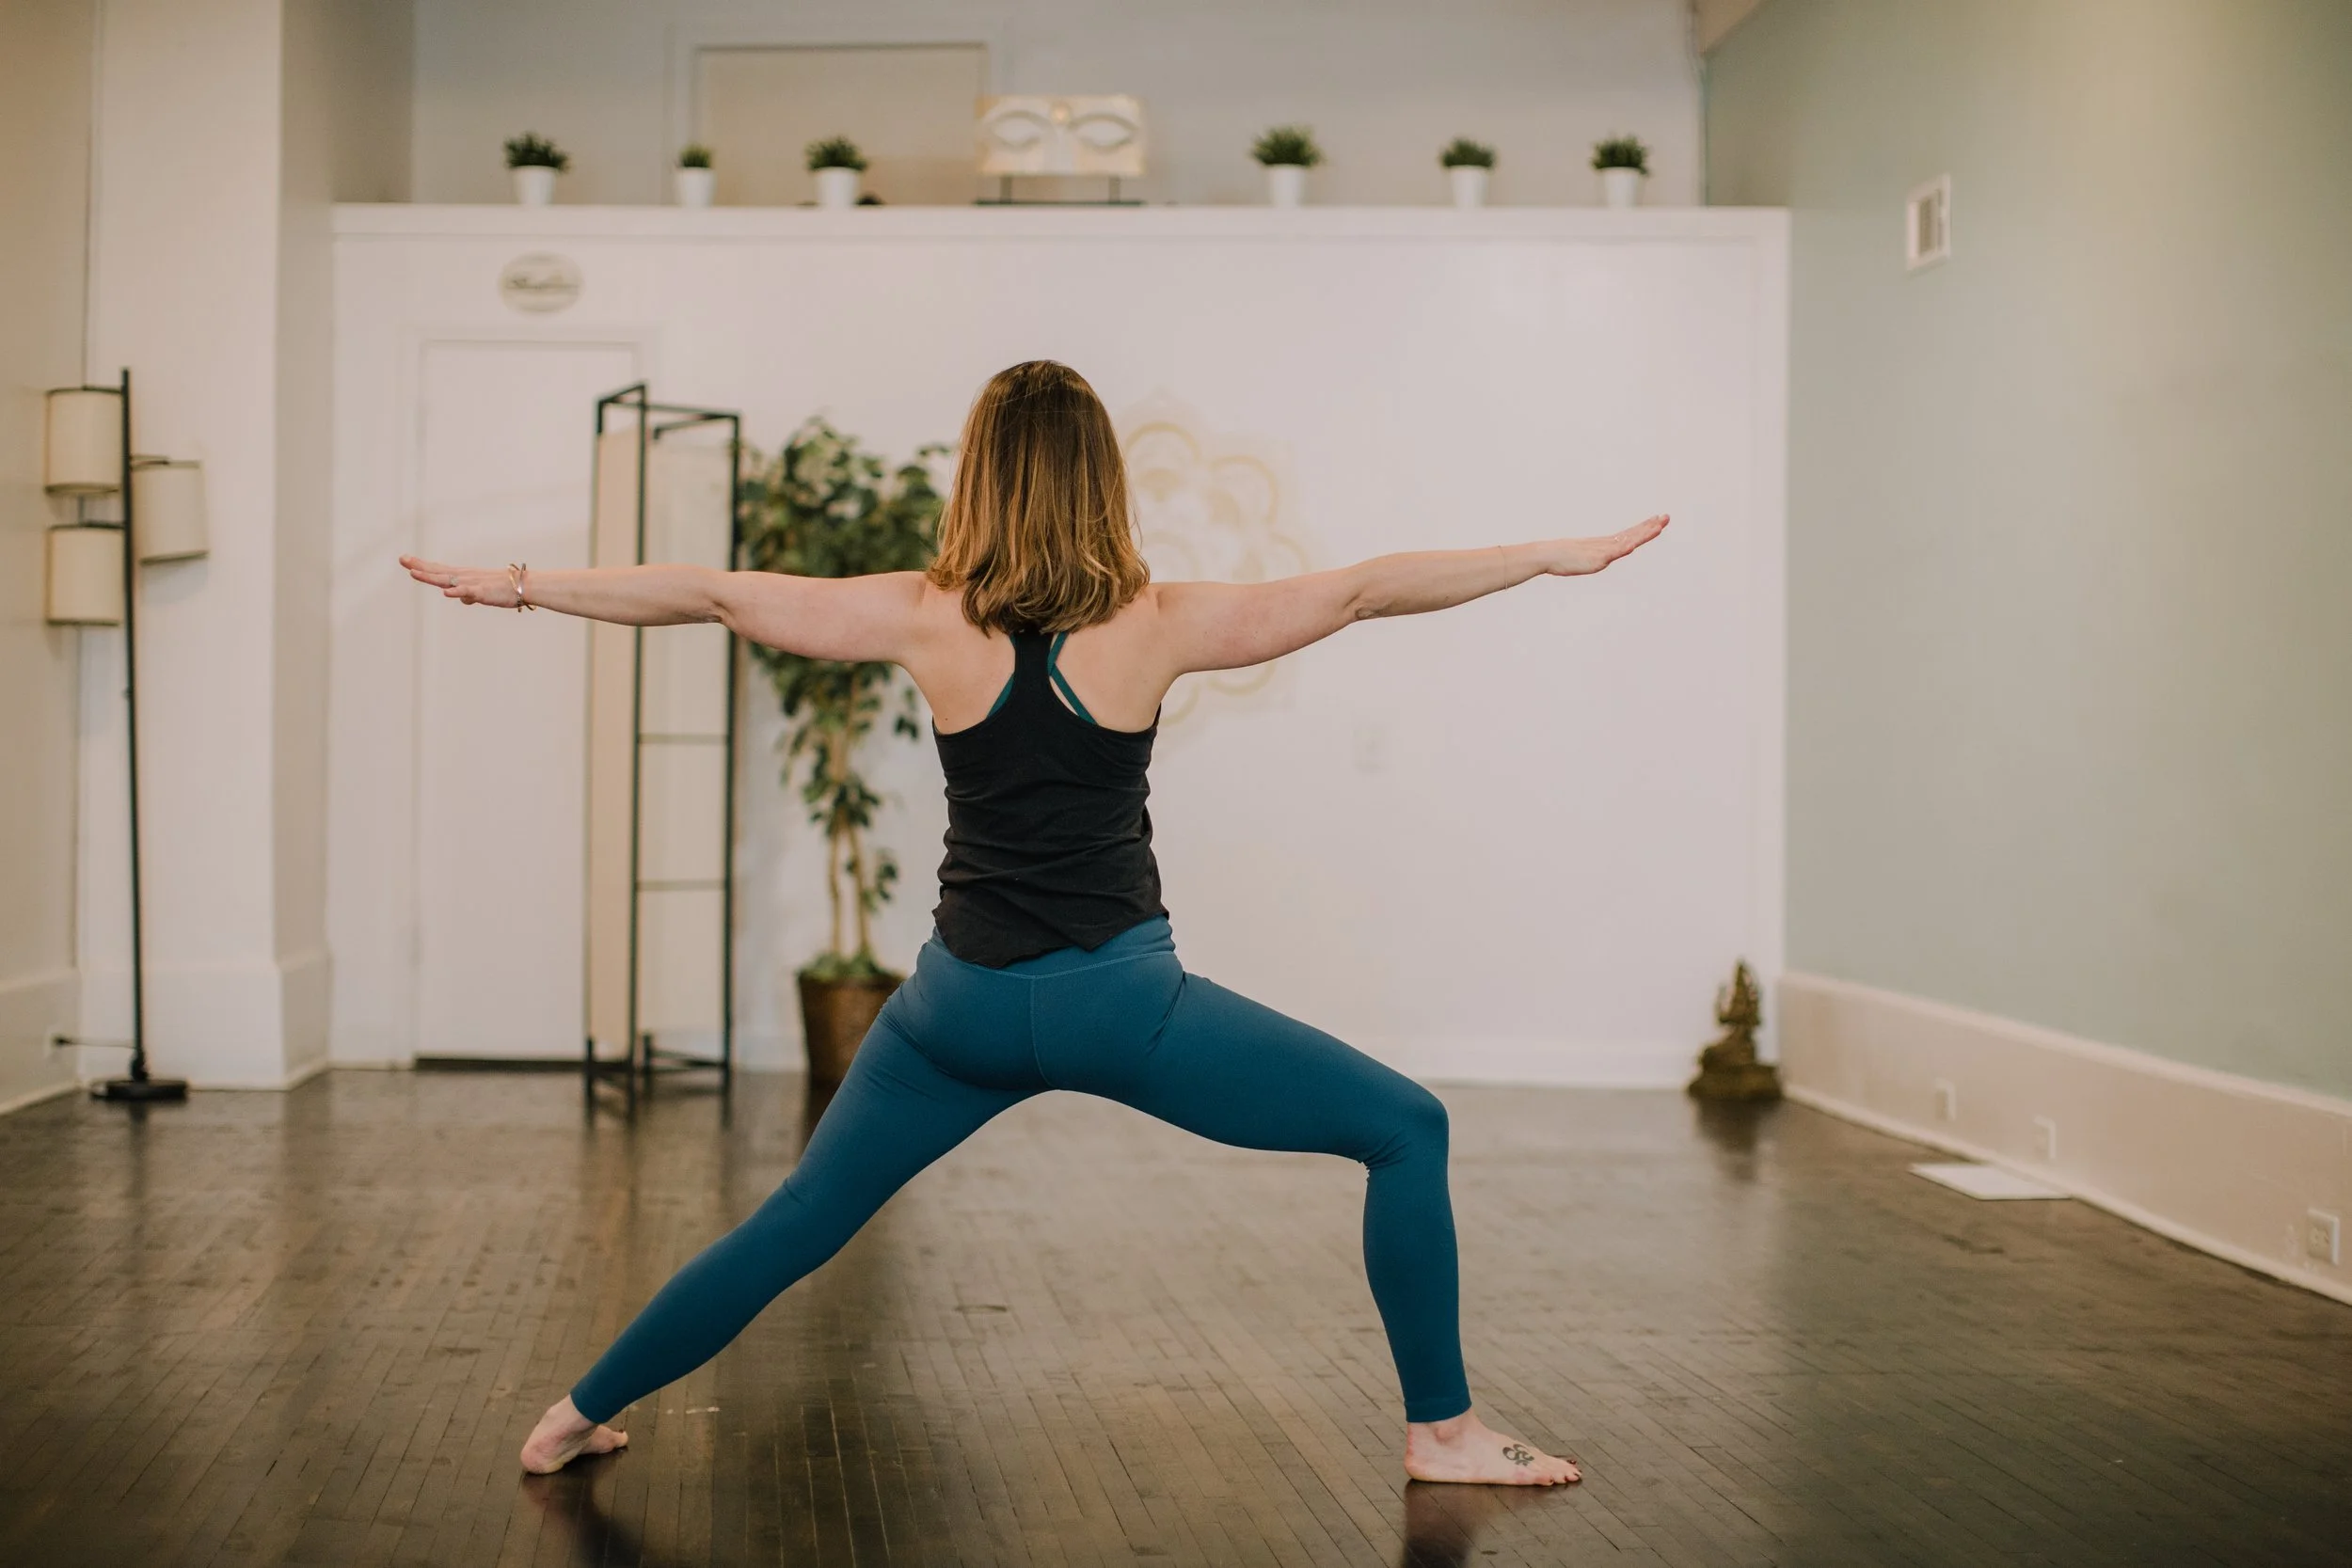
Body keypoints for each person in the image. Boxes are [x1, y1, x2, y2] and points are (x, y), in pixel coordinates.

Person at [403, 359, 1667, 1487]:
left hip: (955, 1011)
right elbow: (1360, 592)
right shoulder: (1158, 621)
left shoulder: (922, 613)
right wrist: (1547, 554)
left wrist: (518, 585)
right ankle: (1441, 1431)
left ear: (981, 479)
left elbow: (716, 595)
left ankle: (571, 1414)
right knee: (1406, 1126)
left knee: (794, 1222)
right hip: (1121, 1007)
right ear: (1101, 482)